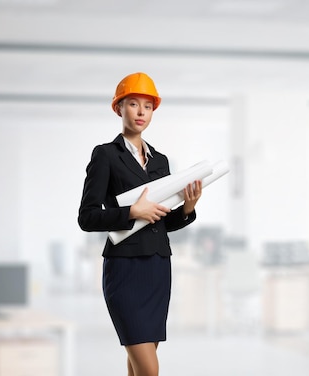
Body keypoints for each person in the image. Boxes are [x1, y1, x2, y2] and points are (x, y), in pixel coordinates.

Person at [78, 72, 202, 376]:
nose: (140, 112)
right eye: (133, 104)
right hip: (125, 269)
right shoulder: (105, 155)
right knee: (149, 370)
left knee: (137, 368)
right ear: (119, 108)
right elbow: (87, 217)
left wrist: (187, 208)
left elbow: (163, 221)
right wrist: (133, 212)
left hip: (157, 267)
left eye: (147, 106)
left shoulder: (161, 161)